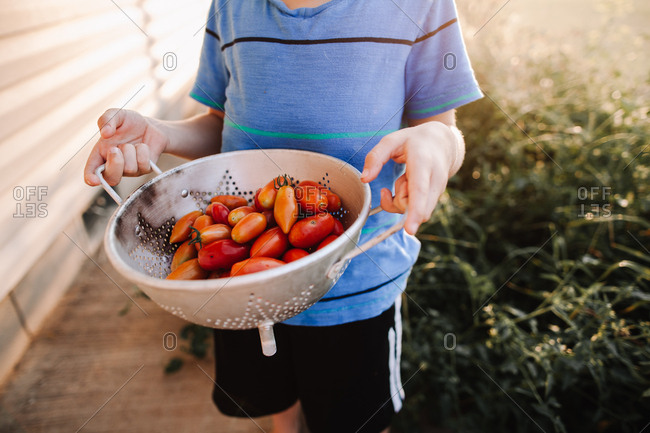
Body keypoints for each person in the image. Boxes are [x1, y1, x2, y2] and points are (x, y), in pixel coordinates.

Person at [84, 0, 482, 431]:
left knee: (355, 421)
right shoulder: (231, 7)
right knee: (276, 406)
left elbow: (442, 129)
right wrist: (163, 133)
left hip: (355, 287)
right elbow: (221, 123)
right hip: (240, 288)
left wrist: (439, 144)